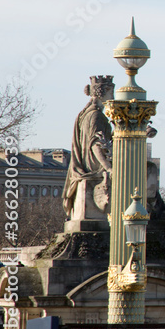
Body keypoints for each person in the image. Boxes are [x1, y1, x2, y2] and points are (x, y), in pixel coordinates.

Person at [62, 75, 115, 221]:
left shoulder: (85, 114)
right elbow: (95, 145)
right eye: (111, 92)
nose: (113, 96)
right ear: (102, 93)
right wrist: (108, 167)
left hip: (86, 164)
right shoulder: (96, 116)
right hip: (93, 166)